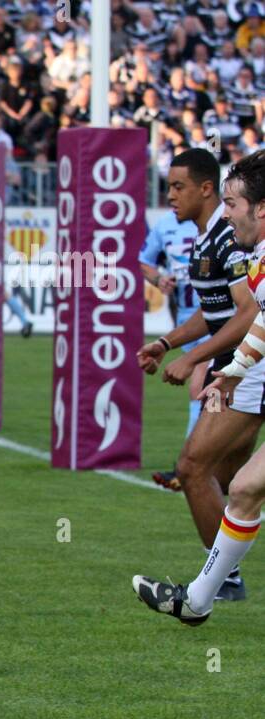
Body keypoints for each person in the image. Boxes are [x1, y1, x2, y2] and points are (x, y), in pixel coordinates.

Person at [134, 150, 265, 625]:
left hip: (248, 371)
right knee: (241, 484)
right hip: (246, 370)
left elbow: (248, 313)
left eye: (234, 203)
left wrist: (202, 359)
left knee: (197, 468)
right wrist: (184, 349)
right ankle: (201, 597)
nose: (169, 196)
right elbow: (247, 318)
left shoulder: (234, 245)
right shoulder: (228, 244)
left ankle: (215, 584)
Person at [139, 207, 202, 490]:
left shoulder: (221, 222)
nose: (172, 195)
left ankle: (187, 466)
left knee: (199, 388)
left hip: (224, 324)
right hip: (189, 324)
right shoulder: (165, 225)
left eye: (179, 186)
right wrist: (158, 279)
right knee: (211, 395)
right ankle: (210, 464)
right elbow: (145, 261)